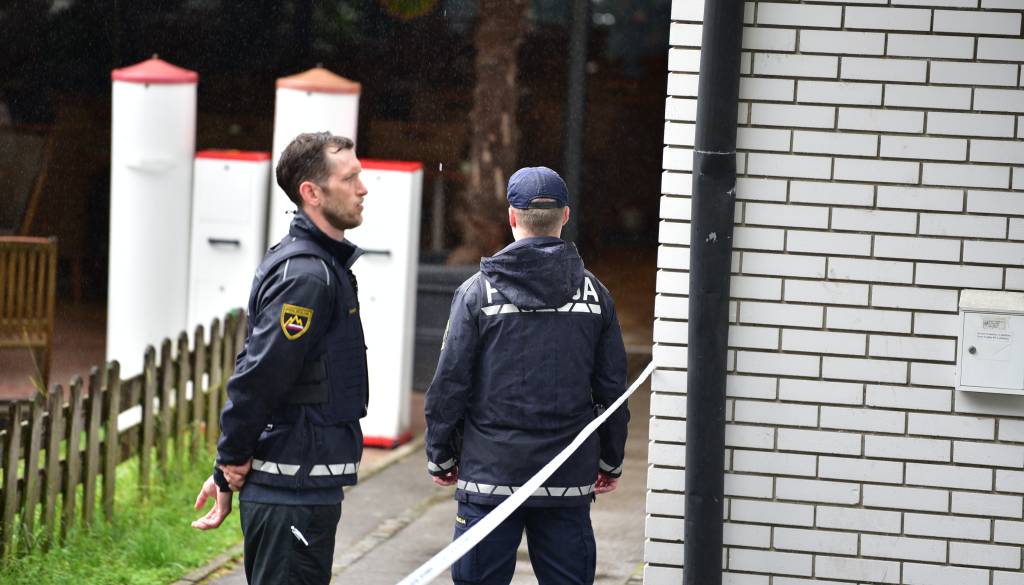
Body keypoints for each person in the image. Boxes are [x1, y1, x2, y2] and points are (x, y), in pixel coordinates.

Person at [424, 166, 629, 585]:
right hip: (566, 480)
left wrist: (441, 455)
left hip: (489, 479)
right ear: (565, 216)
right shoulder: (596, 296)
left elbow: (449, 385)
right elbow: (612, 390)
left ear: (511, 217)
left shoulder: (476, 293)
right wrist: (610, 460)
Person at [192, 131, 370, 585]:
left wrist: (226, 468)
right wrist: (229, 462)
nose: (363, 188)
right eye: (349, 179)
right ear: (312, 192)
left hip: (301, 485)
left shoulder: (319, 266)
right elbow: (260, 376)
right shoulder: (307, 277)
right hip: (290, 488)